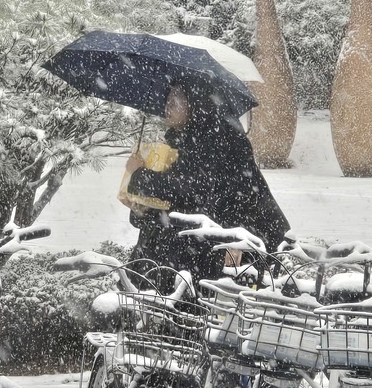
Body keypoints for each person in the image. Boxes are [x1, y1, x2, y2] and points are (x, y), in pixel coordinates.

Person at [123, 79, 290, 280]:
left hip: (229, 242)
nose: (168, 107)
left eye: (176, 101)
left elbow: (191, 190)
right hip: (196, 245)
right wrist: (142, 210)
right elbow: (174, 204)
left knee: (192, 296)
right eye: (167, 101)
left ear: (195, 103)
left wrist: (140, 176)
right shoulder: (181, 142)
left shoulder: (218, 140)